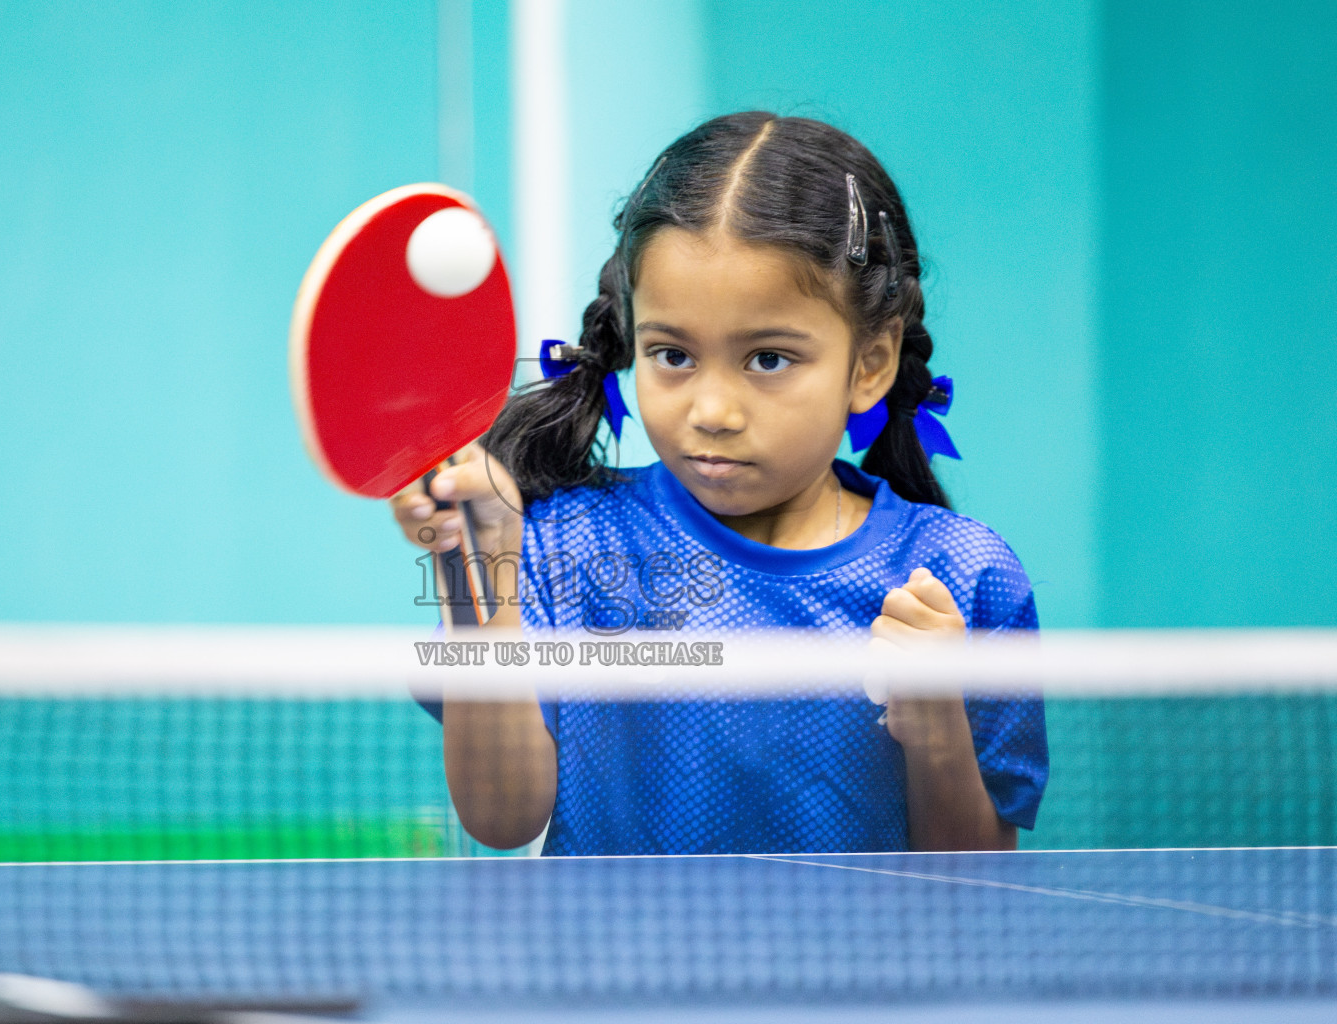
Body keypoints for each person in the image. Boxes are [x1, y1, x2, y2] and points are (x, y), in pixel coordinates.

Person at [391, 112, 1047, 856]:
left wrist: (938, 731)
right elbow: (501, 819)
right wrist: (477, 577)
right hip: (615, 972)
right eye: (672, 355)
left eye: (768, 359)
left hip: (866, 974)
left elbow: (976, 886)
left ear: (870, 362)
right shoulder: (565, 544)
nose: (711, 411)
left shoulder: (965, 577)